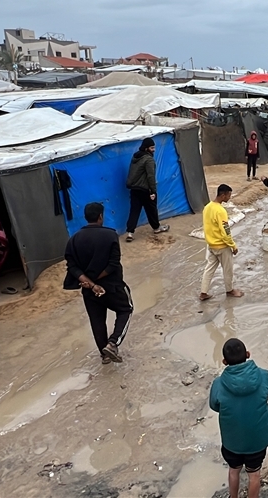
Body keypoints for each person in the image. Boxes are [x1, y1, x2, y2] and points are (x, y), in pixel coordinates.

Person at [63, 203, 133, 364]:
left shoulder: (73, 240)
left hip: (89, 290)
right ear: (100, 216)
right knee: (126, 309)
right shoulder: (110, 235)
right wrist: (97, 282)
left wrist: (91, 284)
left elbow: (72, 267)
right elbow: (113, 263)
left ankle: (104, 355)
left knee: (97, 320)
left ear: (86, 217)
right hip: (113, 286)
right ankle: (113, 343)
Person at [209, 338, 268, 498]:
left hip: (232, 442)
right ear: (247, 354)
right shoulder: (264, 375)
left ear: (224, 361)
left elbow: (214, 406)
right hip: (258, 440)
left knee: (234, 471)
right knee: (254, 475)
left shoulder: (218, 384)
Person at [200, 185, 244, 301]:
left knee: (209, 269)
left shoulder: (207, 207)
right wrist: (233, 246)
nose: (229, 197)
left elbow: (207, 226)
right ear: (223, 195)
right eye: (229, 195)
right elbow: (225, 231)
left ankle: (203, 292)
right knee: (228, 269)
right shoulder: (220, 211)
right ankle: (229, 290)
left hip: (211, 245)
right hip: (222, 246)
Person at [124, 137, 169, 242]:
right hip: (145, 190)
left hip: (134, 189)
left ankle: (130, 233)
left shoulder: (135, 157)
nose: (154, 150)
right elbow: (150, 176)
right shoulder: (149, 160)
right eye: (152, 148)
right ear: (146, 149)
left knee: (134, 211)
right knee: (151, 209)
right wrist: (153, 191)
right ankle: (156, 228)